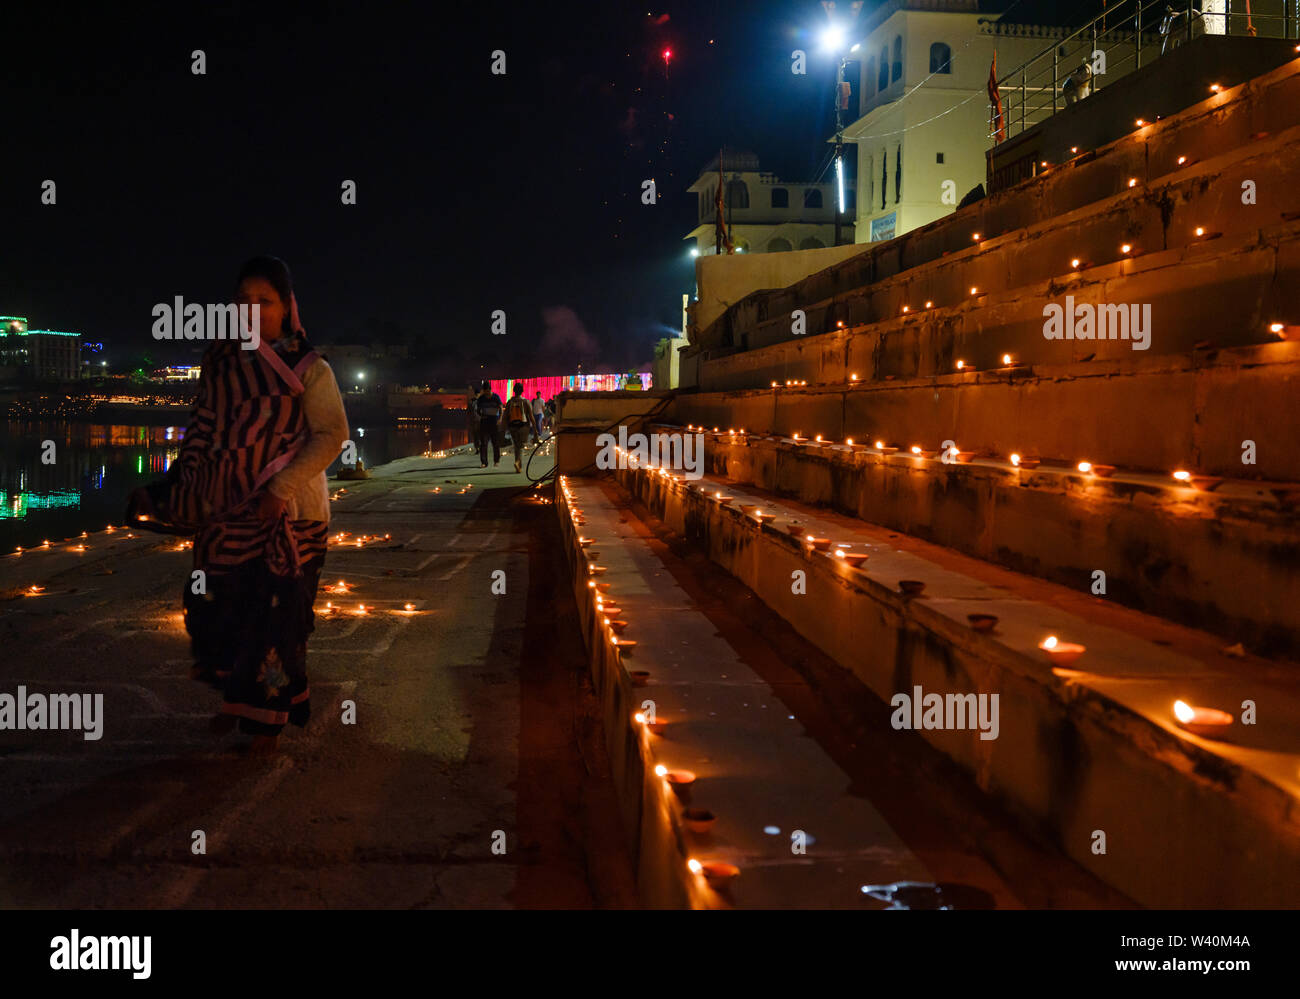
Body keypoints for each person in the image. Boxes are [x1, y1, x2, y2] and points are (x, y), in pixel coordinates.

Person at [127, 255, 349, 755]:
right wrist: (178, 490)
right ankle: (241, 701)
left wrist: (278, 488)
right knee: (221, 610)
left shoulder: (309, 368)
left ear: (286, 306)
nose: (252, 311)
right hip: (227, 511)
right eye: (243, 301)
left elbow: (332, 436)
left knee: (276, 618)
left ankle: (264, 723)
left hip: (292, 514)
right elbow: (203, 429)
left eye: (263, 302)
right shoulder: (221, 362)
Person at [475, 380, 504, 467]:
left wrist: (500, 419)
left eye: (486, 390)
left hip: (494, 420)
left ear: (489, 389)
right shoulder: (481, 398)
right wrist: (480, 416)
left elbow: (500, 408)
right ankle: (484, 462)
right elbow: (477, 410)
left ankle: (496, 461)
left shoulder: (496, 397)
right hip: (485, 420)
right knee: (483, 443)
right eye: (484, 390)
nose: (485, 392)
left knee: (495, 442)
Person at [505, 383, 533, 473]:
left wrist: (503, 428)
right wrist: (535, 430)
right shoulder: (525, 402)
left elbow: (505, 416)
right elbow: (531, 416)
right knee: (520, 445)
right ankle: (518, 462)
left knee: (517, 445)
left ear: (513, 391)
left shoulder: (510, 402)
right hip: (523, 426)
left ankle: (518, 464)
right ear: (522, 391)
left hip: (512, 426)